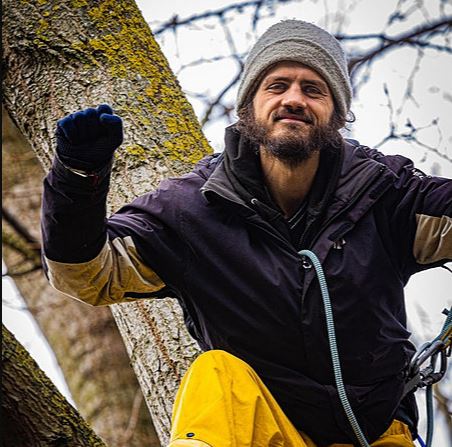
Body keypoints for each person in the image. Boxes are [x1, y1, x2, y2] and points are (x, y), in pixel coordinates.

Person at [41, 20, 451, 447]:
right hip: (262, 428)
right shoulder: (191, 210)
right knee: (216, 374)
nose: (294, 99)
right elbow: (84, 274)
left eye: (313, 89)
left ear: (338, 113)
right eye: (277, 86)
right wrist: (78, 175)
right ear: (248, 106)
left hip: (376, 432)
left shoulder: (386, 191)